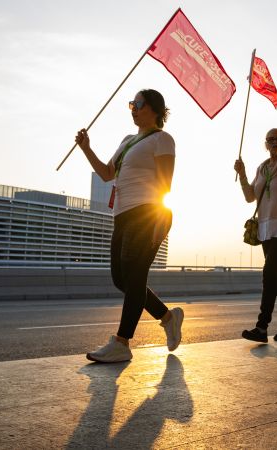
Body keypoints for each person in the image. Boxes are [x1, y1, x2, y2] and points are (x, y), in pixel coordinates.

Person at [75, 89, 184, 362]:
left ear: (155, 109)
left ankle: (122, 343)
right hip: (122, 215)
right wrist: (86, 147)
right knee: (121, 279)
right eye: (131, 104)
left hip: (148, 213)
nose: (133, 108)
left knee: (135, 276)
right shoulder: (127, 140)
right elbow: (106, 174)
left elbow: (165, 183)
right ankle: (168, 317)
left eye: (138, 104)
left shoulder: (163, 139)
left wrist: (158, 218)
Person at [234, 129, 277, 343]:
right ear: (265, 144)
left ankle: (262, 327)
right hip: (264, 228)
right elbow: (249, 196)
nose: (274, 143)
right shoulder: (262, 168)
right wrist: (242, 174)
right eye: (270, 140)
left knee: (269, 273)